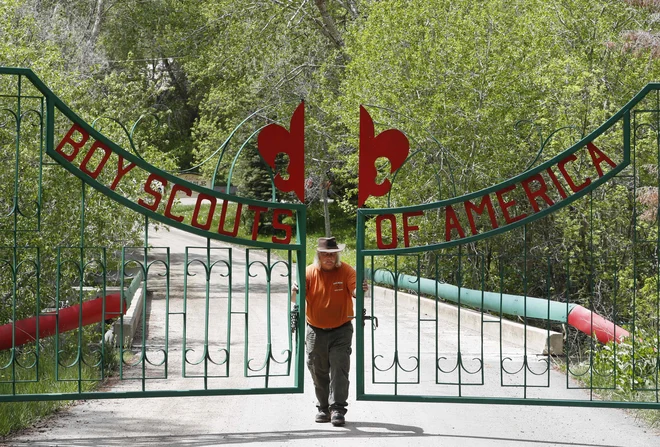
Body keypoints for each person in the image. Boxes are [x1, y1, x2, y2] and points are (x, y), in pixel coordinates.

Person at [291, 236, 368, 427]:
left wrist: (361, 289)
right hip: (315, 330)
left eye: (332, 254)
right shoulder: (308, 272)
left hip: (341, 330)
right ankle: (323, 407)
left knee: (339, 369)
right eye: (325, 254)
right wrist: (294, 290)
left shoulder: (346, 270)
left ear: (337, 255)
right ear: (318, 255)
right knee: (318, 370)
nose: (329, 258)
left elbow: (356, 291)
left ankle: (338, 410)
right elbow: (295, 299)